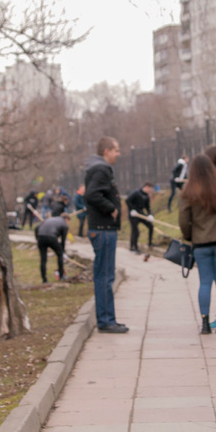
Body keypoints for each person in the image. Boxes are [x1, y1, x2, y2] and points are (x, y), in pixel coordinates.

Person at [180, 155, 216, 334]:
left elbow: (183, 219)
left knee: (204, 283)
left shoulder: (188, 191)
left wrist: (190, 236)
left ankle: (205, 324)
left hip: (201, 243)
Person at [84, 137, 128, 333]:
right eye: (116, 150)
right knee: (105, 277)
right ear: (107, 151)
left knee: (105, 275)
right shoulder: (101, 169)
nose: (118, 154)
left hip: (102, 229)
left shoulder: (97, 167)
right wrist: (112, 208)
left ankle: (108, 318)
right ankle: (106, 320)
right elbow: (92, 194)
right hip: (103, 229)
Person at [34, 213, 69, 283]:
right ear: (66, 219)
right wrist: (62, 252)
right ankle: (61, 276)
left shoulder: (49, 219)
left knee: (43, 259)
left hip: (41, 237)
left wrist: (37, 239)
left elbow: (36, 228)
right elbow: (63, 240)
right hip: (52, 237)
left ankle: (44, 279)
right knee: (60, 255)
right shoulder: (64, 224)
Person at [126, 182, 155, 252]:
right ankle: (133, 246)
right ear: (146, 187)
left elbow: (147, 207)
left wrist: (150, 214)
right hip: (133, 215)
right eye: (150, 189)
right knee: (135, 231)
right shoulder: (136, 193)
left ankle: (150, 243)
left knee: (151, 226)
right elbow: (127, 201)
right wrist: (132, 209)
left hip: (140, 214)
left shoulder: (146, 196)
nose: (151, 190)